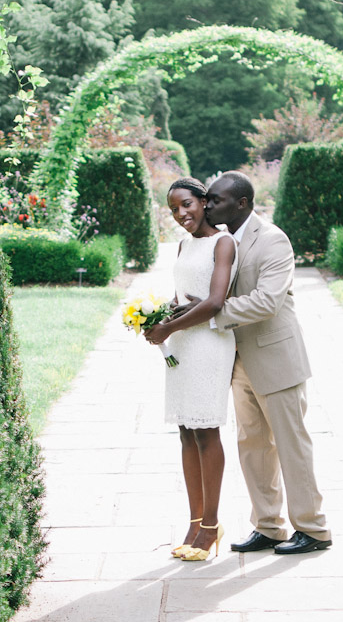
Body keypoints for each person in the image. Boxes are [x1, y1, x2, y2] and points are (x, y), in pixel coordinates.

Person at [178, 170, 332, 555]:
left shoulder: (273, 240)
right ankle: (269, 526)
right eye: (208, 199)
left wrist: (212, 314)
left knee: (291, 445)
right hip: (237, 359)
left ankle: (313, 530)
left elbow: (267, 302)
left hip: (276, 358)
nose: (208, 205)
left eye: (216, 200)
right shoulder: (225, 240)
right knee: (253, 446)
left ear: (241, 203)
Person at [145, 177, 237, 561]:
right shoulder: (183, 244)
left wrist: (169, 326)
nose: (181, 214)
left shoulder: (223, 242)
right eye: (173, 210)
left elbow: (215, 301)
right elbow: (182, 295)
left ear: (203, 201)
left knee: (206, 430)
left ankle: (213, 526)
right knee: (186, 432)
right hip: (182, 345)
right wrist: (153, 318)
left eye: (186, 204)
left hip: (209, 344)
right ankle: (195, 522)